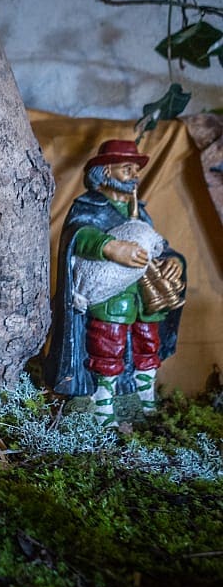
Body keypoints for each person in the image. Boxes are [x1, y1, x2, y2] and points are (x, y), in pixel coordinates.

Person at [44, 139, 185, 424]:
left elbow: (157, 245)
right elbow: (76, 234)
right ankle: (102, 409)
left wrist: (174, 261)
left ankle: (141, 401)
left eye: (136, 169)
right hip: (109, 298)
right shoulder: (89, 206)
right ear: (106, 172)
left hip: (145, 298)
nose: (134, 175)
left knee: (147, 346)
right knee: (107, 348)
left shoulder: (139, 211)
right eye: (126, 168)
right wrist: (108, 246)